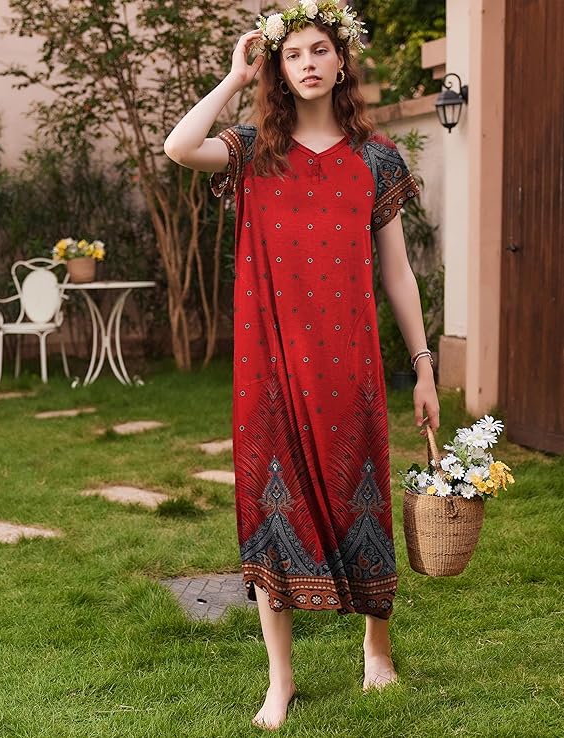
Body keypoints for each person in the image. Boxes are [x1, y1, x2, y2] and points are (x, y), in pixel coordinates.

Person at [164, 0, 440, 730]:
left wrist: (423, 366)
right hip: (269, 367)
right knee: (270, 509)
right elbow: (178, 147)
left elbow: (397, 273)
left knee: (362, 499)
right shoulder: (252, 150)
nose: (308, 63)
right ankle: (279, 679)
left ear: (341, 60)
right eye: (293, 54)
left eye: (320, 50)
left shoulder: (376, 157)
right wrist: (233, 77)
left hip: (349, 364)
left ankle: (376, 647)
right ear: (278, 69)